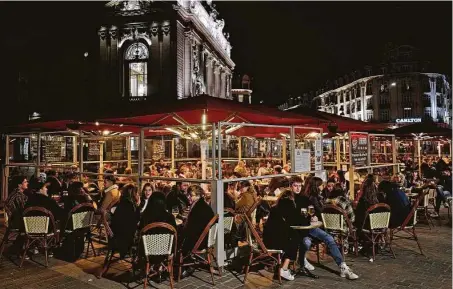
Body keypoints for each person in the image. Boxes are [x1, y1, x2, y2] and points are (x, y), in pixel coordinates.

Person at [289, 176, 359, 280]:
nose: (298, 188)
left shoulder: (304, 198)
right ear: (290, 187)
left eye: (300, 186)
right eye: (295, 186)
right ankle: (302, 262)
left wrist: (313, 217)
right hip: (296, 230)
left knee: (329, 238)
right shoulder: (288, 200)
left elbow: (310, 212)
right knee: (306, 242)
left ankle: (343, 267)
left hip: (309, 228)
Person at [263, 190, 304, 281]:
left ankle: (282, 267)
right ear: (291, 198)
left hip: (267, 240)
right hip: (276, 243)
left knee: (292, 236)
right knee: (295, 238)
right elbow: (297, 222)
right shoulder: (290, 207)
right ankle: (284, 268)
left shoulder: (274, 207)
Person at [180, 185, 215, 278]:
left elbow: (191, 229)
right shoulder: (202, 205)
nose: (189, 197)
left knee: (178, 237)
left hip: (199, 241)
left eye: (191, 195)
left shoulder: (199, 208)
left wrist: (182, 229)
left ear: (198, 195)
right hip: (205, 238)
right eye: (188, 195)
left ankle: (186, 265)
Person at [109, 184, 141, 258]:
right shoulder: (130, 205)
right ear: (133, 194)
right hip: (125, 239)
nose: (138, 194)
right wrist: (138, 205)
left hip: (116, 235)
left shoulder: (122, 203)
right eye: (137, 193)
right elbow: (136, 219)